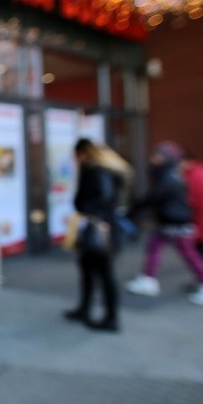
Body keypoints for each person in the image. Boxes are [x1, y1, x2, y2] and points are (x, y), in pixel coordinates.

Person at [125, 142, 203, 306]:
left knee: (189, 254)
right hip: (172, 220)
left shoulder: (169, 177)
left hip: (175, 222)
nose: (153, 159)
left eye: (157, 155)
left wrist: (132, 211)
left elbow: (153, 198)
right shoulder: (171, 175)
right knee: (156, 247)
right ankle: (148, 279)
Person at [64, 138, 123, 332]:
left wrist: (86, 209)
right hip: (103, 227)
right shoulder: (106, 169)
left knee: (102, 273)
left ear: (83, 153)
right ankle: (87, 310)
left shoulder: (93, 170)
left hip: (98, 229)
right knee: (91, 269)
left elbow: (99, 199)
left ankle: (110, 318)